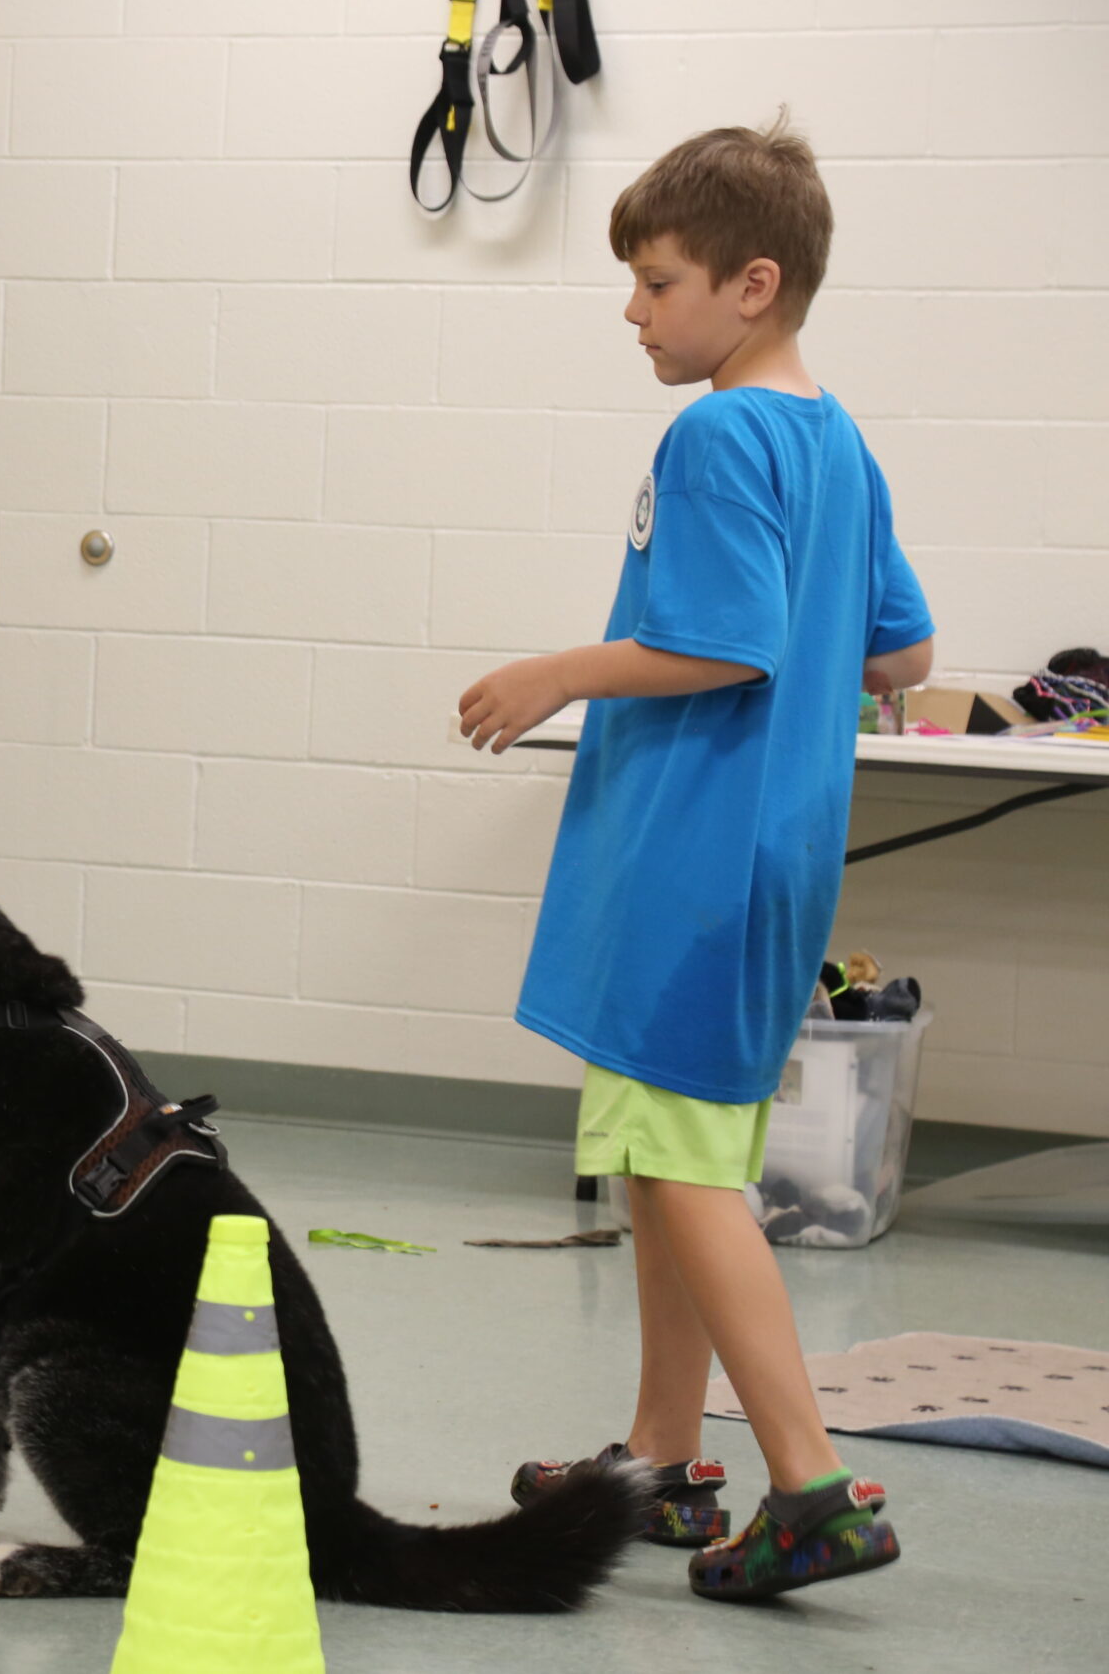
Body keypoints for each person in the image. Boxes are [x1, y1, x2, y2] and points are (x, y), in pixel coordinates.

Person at [456, 118, 932, 1602]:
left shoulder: (719, 432)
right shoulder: (836, 438)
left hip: (689, 861)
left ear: (753, 283)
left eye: (657, 282)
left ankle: (808, 1483)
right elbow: (902, 645)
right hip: (767, 858)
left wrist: (560, 669)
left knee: (686, 1173)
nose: (634, 309)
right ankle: (663, 1455)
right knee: (667, 1165)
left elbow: (725, 642)